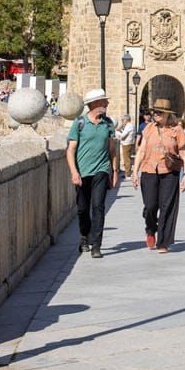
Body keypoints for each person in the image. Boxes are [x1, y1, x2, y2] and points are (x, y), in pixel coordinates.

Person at [66, 88, 118, 259]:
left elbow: (112, 150)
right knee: (82, 209)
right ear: (96, 104)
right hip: (82, 172)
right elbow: (70, 150)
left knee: (98, 207)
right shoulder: (80, 123)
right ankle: (84, 236)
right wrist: (74, 172)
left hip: (101, 171)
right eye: (104, 101)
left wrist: (114, 171)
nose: (107, 103)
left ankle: (96, 245)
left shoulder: (108, 124)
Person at [132, 98, 185, 252]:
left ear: (167, 115)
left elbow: (183, 152)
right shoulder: (149, 128)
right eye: (154, 111)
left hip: (169, 172)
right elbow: (142, 151)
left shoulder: (177, 130)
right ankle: (150, 229)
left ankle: (163, 242)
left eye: (158, 112)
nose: (155, 114)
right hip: (149, 170)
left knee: (167, 207)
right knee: (150, 206)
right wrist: (134, 172)